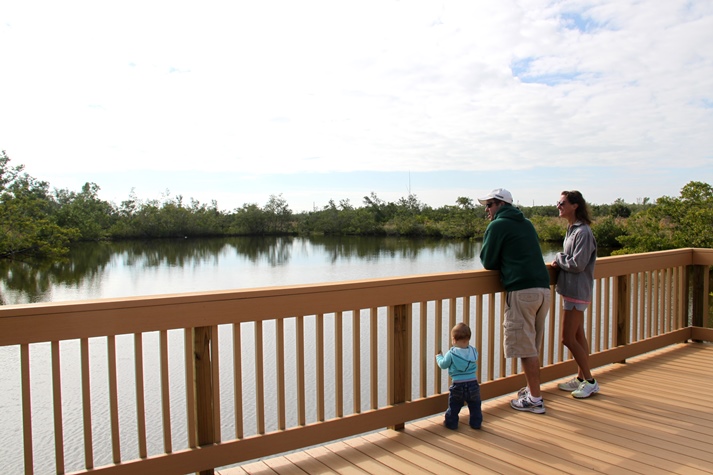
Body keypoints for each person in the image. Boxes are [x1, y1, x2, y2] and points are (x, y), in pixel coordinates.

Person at [478, 188, 550, 414]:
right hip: (543, 290)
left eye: (489, 205)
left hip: (522, 291)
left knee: (525, 348)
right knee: (532, 345)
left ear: (500, 204)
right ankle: (532, 390)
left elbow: (487, 261)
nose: (487, 210)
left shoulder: (498, 225)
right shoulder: (526, 223)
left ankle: (535, 399)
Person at [552, 190, 600, 398]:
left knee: (567, 338)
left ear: (575, 206)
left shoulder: (583, 232)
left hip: (577, 291)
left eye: (562, 203)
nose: (558, 206)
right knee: (579, 336)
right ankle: (581, 378)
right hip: (571, 289)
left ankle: (590, 381)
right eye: (558, 202)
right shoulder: (572, 229)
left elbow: (578, 264)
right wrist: (563, 259)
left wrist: (558, 258)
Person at [436, 322, 482, 429]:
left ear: (454, 340)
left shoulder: (451, 353)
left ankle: (451, 424)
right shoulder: (473, 351)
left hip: (458, 384)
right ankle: (476, 423)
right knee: (475, 405)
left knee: (454, 406)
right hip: (473, 383)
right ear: (468, 338)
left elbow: (443, 364)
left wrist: (439, 357)